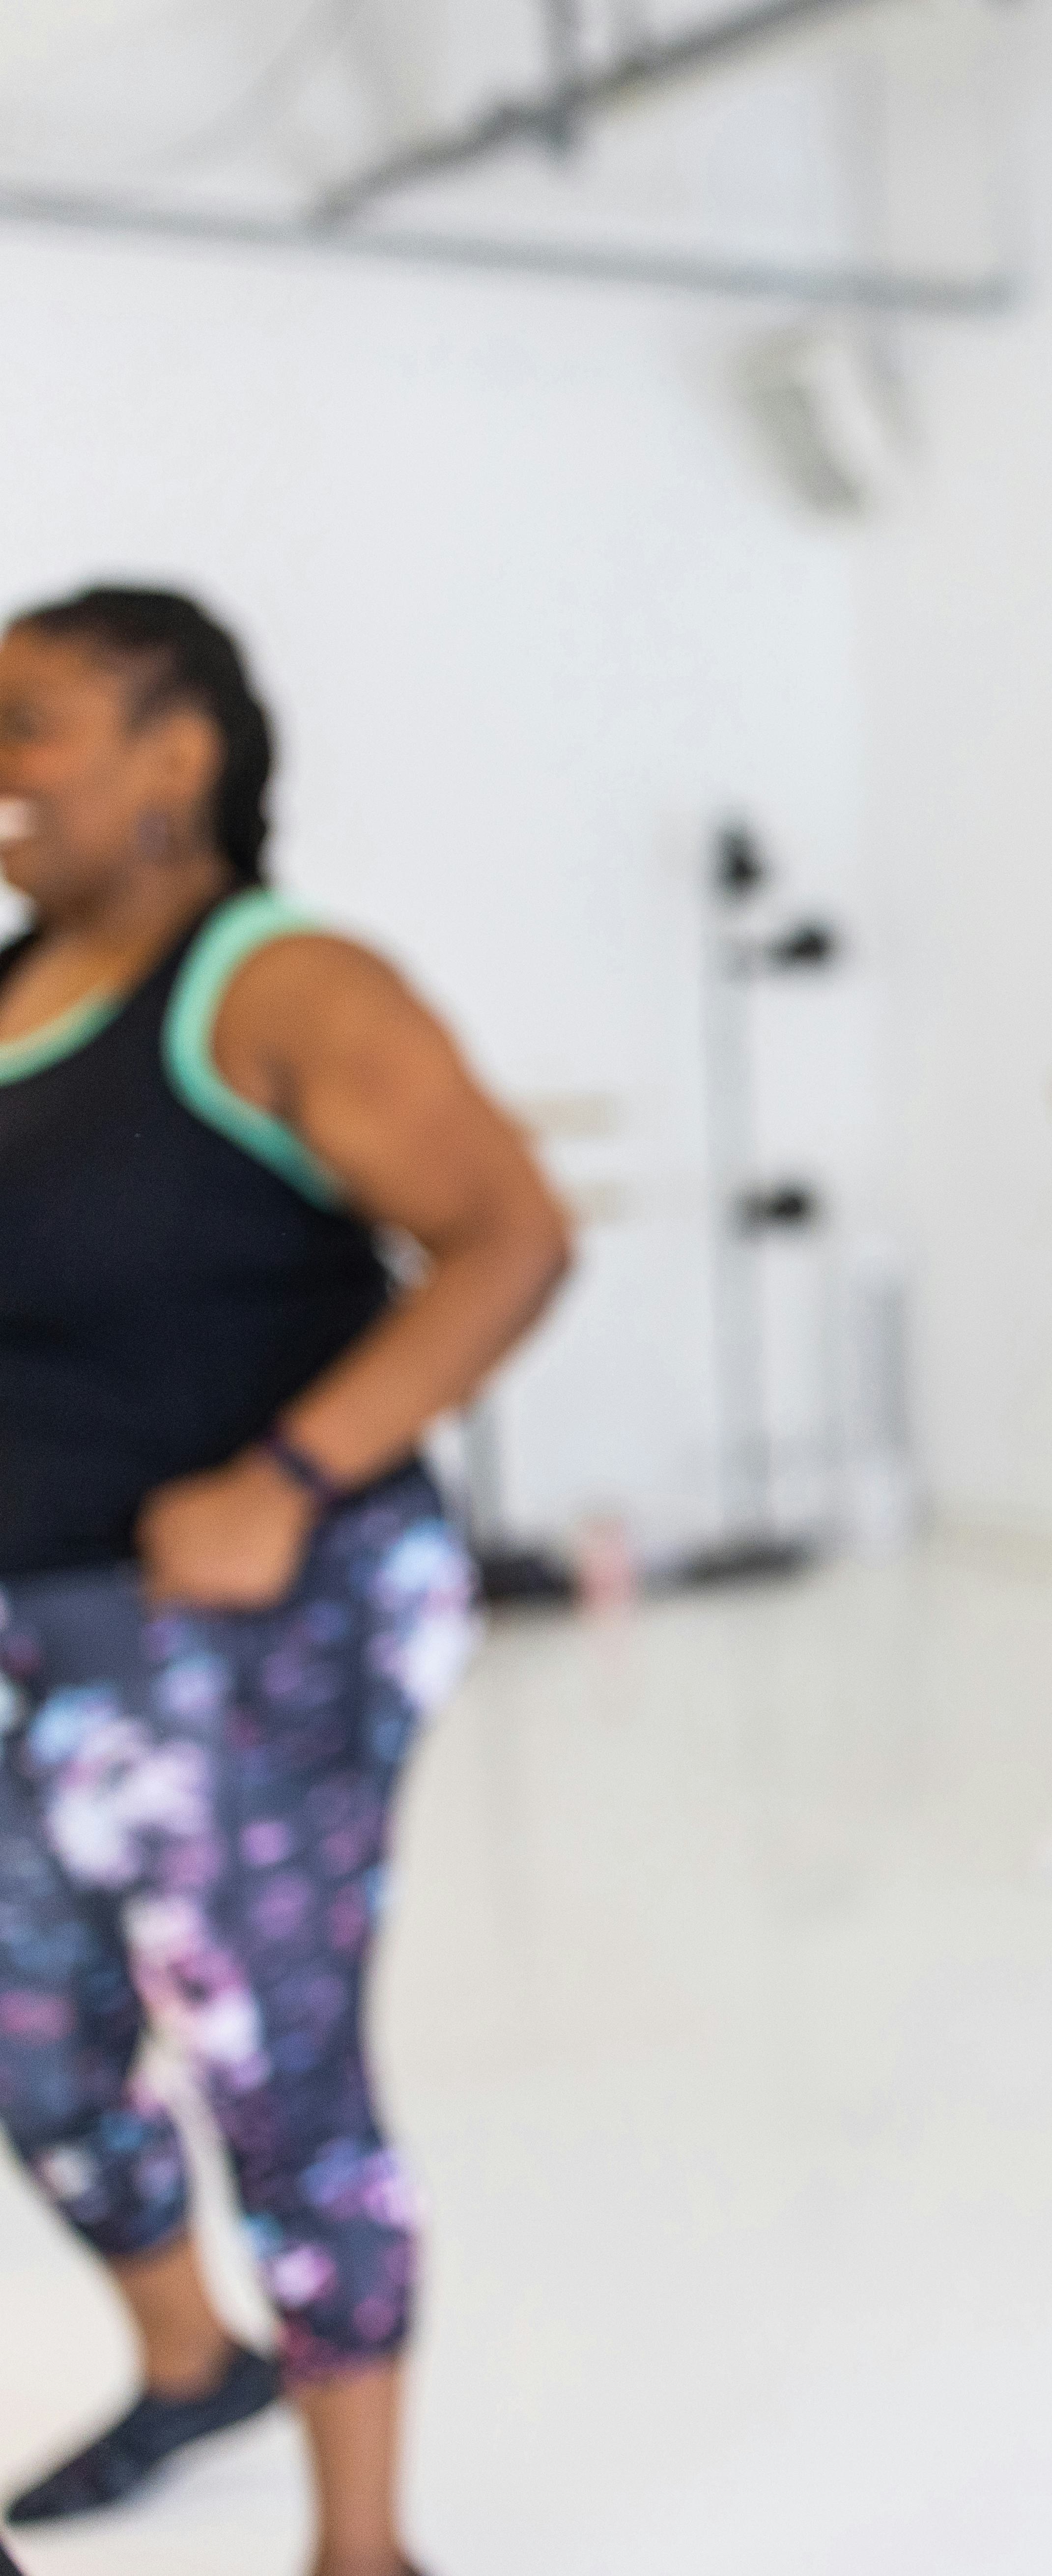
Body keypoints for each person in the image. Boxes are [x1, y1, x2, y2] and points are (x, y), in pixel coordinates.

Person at [0, 586, 571, 2575]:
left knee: (275, 2067)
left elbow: (509, 1238)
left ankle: (363, 2548)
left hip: (267, 1616)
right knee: (36, 2038)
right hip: (39, 1621)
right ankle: (191, 2368)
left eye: (35, 723)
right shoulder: (10, 990)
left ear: (179, 756)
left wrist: (289, 1471)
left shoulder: (283, 984)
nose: (1, 769)